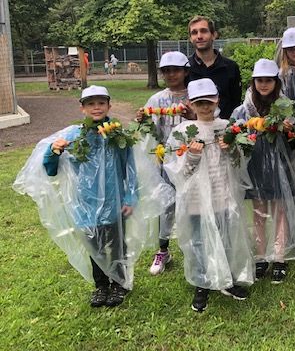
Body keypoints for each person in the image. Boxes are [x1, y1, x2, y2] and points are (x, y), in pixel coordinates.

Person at [13, 85, 173, 308]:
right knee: (94, 247)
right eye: (90, 103)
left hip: (114, 201)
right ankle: (101, 286)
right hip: (85, 204)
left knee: (117, 246)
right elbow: (50, 168)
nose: (96, 108)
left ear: (109, 105)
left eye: (101, 103)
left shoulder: (118, 135)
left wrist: (129, 198)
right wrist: (54, 150)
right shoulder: (73, 136)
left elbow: (130, 169)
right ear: (82, 108)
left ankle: (119, 283)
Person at [164, 78, 253, 312]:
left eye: (209, 102)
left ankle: (227, 278)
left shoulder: (227, 127)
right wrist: (192, 157)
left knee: (226, 237)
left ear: (217, 101)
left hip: (221, 193)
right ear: (191, 105)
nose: (205, 107)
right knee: (199, 241)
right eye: (199, 103)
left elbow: (238, 164)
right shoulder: (182, 131)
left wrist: (232, 149)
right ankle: (202, 283)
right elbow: (177, 171)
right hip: (196, 199)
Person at [231, 59, 295, 284]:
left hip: (280, 164)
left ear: (276, 82)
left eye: (268, 80)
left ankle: (280, 256)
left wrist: (291, 132)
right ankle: (262, 256)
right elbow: (234, 132)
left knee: (280, 211)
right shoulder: (243, 109)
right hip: (256, 164)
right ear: (253, 82)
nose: (264, 84)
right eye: (259, 80)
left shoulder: (287, 107)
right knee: (259, 211)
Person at [139, 51, 193, 276]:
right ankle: (163, 249)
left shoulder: (194, 94)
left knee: (193, 203)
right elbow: (150, 129)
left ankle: (194, 247)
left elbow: (207, 119)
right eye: (166, 71)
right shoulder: (157, 99)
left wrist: (192, 116)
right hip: (165, 161)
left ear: (185, 71)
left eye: (176, 70)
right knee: (166, 205)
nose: (171, 74)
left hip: (191, 160)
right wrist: (141, 121)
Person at [187, 15, 242, 119]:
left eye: (203, 31)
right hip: (194, 130)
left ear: (214, 35)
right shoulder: (185, 68)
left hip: (224, 130)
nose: (199, 36)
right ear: (190, 38)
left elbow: (235, 103)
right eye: (194, 32)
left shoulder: (231, 67)